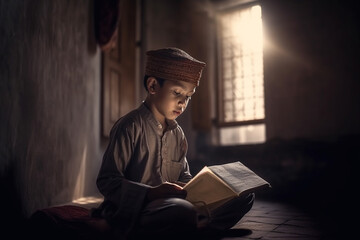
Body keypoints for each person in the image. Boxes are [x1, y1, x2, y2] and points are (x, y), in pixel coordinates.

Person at [92, 47, 255, 239]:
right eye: (177, 92)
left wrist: (205, 187)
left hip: (174, 203)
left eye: (188, 96)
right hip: (140, 210)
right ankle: (199, 227)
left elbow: (184, 176)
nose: (182, 103)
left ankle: (200, 229)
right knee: (182, 212)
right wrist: (151, 193)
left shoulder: (178, 134)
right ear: (153, 86)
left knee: (244, 196)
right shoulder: (130, 126)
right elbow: (107, 182)